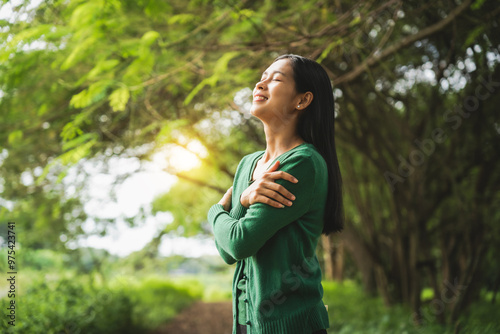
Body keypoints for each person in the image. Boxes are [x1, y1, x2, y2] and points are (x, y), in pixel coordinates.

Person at [207, 54, 344, 334]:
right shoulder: (248, 164)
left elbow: (239, 242)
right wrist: (243, 199)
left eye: (276, 78)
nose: (261, 83)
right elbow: (227, 253)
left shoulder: (302, 163)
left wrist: (214, 211)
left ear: (302, 100)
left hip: (291, 325)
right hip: (245, 323)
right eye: (262, 76)